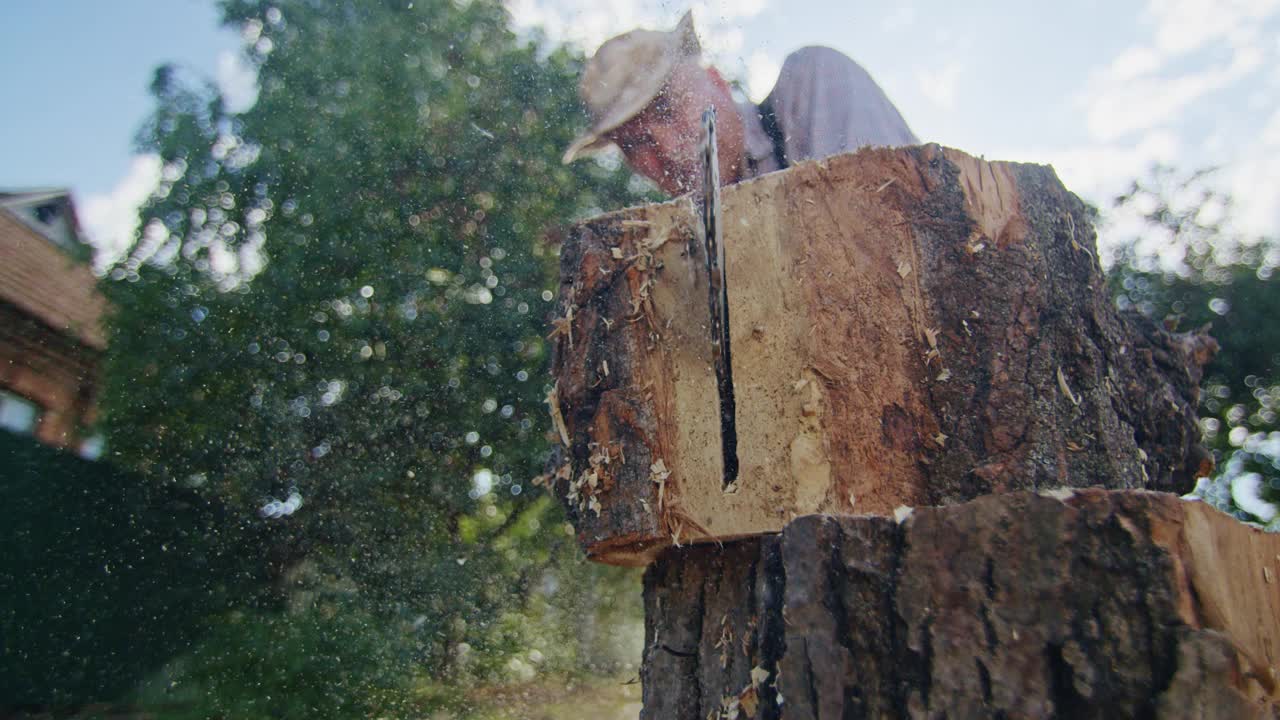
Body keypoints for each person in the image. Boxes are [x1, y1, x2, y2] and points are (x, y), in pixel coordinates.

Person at [561, 11, 918, 195]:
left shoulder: (809, 82)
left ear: (715, 80)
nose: (666, 149)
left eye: (668, 109)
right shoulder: (679, 249)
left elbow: (881, 233)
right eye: (638, 143)